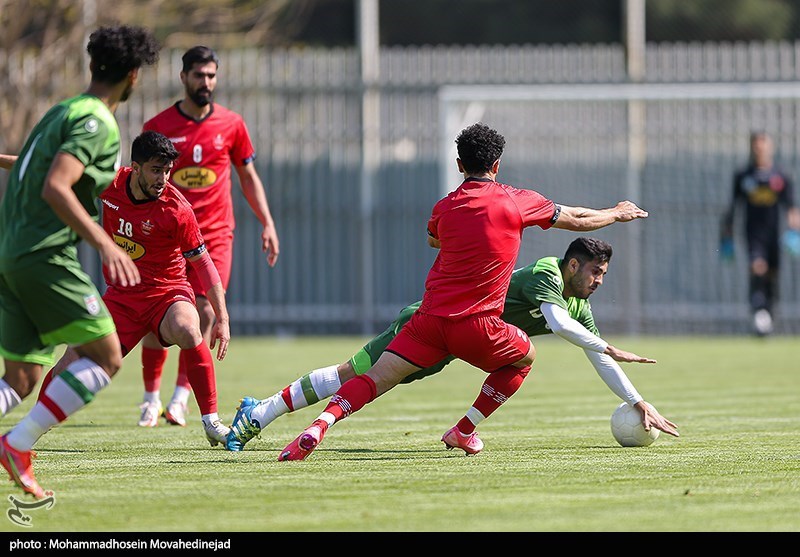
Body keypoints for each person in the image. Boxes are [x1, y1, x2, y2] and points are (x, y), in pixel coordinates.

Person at [276, 122, 677, 461]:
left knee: (375, 377)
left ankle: (319, 425)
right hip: (478, 325)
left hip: (427, 321)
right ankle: (464, 429)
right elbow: (573, 219)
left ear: (459, 165)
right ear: (497, 164)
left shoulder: (444, 207)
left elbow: (435, 240)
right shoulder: (517, 201)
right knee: (524, 357)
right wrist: (616, 213)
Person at [225, 237, 679, 453]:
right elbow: (557, 323)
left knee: (368, 381)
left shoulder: (580, 307)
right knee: (352, 374)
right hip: (431, 320)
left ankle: (462, 429)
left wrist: (638, 400)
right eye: (595, 273)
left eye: (604, 276)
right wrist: (610, 347)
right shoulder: (546, 272)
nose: (599, 282)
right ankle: (260, 413)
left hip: (458, 341)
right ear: (573, 264)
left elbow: (594, 351)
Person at [0, 25, 160, 499]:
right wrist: (106, 244)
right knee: (107, 356)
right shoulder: (97, 121)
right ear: (133, 76)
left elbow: (35, 167)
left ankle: (17, 441)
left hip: (12, 254)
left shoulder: (63, 110)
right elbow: (56, 185)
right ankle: (18, 445)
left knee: (23, 375)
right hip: (43, 256)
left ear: (94, 66)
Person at [34, 131, 231, 451]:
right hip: (122, 297)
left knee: (187, 327)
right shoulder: (108, 183)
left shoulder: (177, 209)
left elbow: (204, 264)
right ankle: (31, 428)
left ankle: (211, 422)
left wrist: (221, 316)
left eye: (167, 171)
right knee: (74, 356)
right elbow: (47, 171)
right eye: (156, 170)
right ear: (135, 167)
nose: (163, 179)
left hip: (167, 293)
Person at [137, 45, 280, 428]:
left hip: (214, 235)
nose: (206, 82)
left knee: (202, 311)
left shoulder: (232, 124)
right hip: (166, 236)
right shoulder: (158, 125)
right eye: (199, 75)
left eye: (212, 75)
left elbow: (248, 178)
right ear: (184, 77)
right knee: (156, 316)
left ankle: (180, 398)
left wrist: (266, 221)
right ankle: (150, 398)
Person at [720, 131, 800, 336]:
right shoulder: (744, 175)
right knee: (757, 268)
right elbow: (733, 205)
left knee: (772, 275)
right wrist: (726, 232)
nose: (760, 148)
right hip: (753, 233)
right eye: (756, 144)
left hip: (774, 234)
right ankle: (758, 310)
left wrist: (794, 231)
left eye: (764, 144)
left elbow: (791, 207)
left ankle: (769, 313)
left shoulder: (780, 176)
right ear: (752, 147)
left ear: (770, 147)